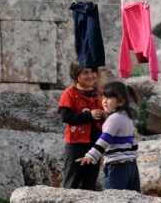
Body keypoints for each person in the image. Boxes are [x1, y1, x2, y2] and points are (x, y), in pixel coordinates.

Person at [77, 80, 141, 191]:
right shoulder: (127, 117)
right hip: (131, 165)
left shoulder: (114, 119)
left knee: (112, 196)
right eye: (104, 97)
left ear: (121, 102)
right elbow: (132, 140)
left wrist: (90, 155)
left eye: (109, 98)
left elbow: (105, 139)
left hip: (117, 165)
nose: (105, 101)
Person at [57, 62, 105, 190]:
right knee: (72, 179)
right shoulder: (70, 93)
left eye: (92, 71)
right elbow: (65, 117)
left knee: (90, 180)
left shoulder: (98, 93)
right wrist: (89, 116)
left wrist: (105, 115)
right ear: (75, 74)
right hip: (76, 143)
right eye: (85, 72)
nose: (90, 75)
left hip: (95, 143)